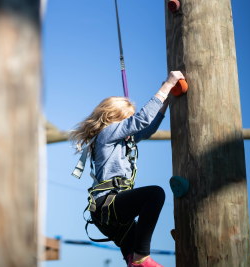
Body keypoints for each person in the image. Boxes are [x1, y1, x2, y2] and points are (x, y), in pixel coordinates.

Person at [69, 71, 185, 267]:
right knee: (154, 195)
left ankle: (135, 259)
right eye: (126, 121)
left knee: (132, 261)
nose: (130, 130)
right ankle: (141, 256)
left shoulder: (120, 139)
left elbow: (146, 129)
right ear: (114, 118)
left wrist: (165, 104)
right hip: (108, 204)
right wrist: (166, 86)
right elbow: (141, 121)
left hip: (112, 216)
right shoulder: (108, 133)